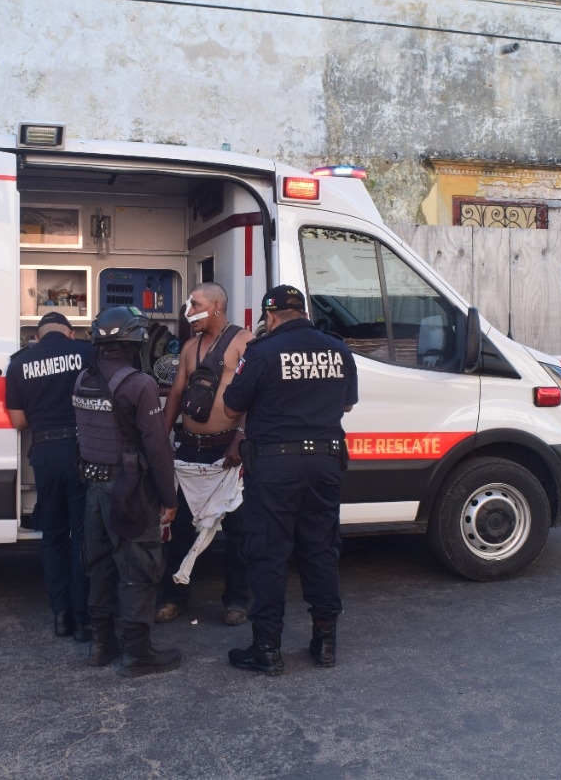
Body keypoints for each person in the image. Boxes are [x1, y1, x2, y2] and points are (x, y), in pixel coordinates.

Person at [222, 284, 358, 674]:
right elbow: (346, 404)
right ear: (303, 312)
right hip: (326, 464)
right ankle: (325, 642)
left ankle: (267, 648)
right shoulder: (338, 349)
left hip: (276, 466)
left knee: (268, 553)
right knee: (320, 550)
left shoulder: (262, 352)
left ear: (271, 316)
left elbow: (232, 409)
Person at [73, 305, 182, 677]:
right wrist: (169, 499)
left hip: (94, 489)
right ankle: (137, 654)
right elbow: (157, 447)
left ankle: (102, 647)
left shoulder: (82, 379)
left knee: (99, 567)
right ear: (135, 340)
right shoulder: (139, 383)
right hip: (129, 492)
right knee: (138, 568)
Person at [156, 282, 253, 626]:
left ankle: (237, 600)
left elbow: (255, 395)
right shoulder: (188, 348)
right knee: (180, 527)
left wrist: (239, 439)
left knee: (238, 531)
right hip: (189, 454)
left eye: (194, 304)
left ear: (215, 307)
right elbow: (175, 398)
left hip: (228, 454)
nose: (188, 312)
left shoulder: (244, 342)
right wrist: (160, 444)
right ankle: (174, 597)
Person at [5, 312, 95, 640]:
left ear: (38, 336)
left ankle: (61, 616)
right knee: (83, 535)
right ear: (70, 333)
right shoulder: (87, 352)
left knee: (54, 536)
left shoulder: (20, 363)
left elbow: (17, 421)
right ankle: (84, 619)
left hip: (44, 455)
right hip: (82, 452)